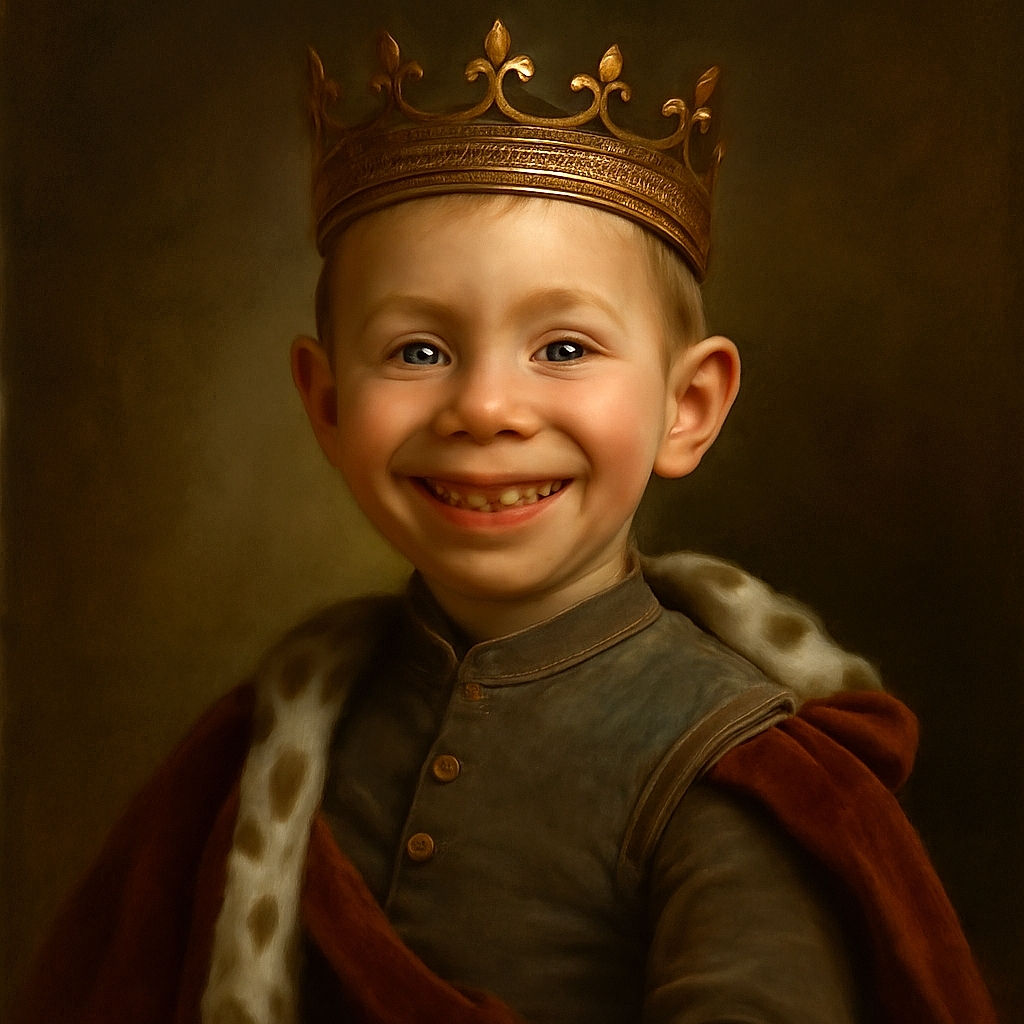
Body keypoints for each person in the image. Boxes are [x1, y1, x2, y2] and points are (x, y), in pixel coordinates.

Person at [14, 19, 997, 1024]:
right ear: (327, 403)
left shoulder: (729, 770)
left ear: (687, 406)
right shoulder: (270, 736)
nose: (484, 408)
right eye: (417, 352)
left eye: (564, 348)